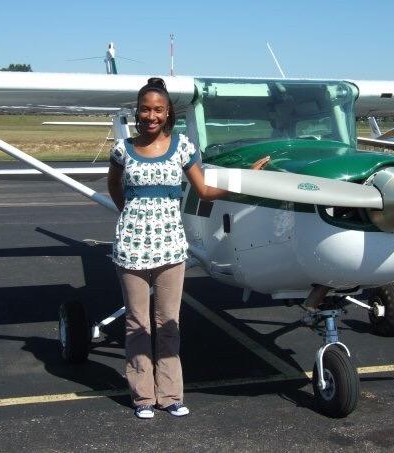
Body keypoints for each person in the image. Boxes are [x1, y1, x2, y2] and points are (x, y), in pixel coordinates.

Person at [107, 77, 270, 419]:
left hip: (171, 250)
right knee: (138, 324)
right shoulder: (122, 149)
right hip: (131, 250)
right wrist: (132, 215)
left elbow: (206, 190)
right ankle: (142, 398)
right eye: (145, 109)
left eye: (158, 110)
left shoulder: (182, 147)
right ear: (137, 111)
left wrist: (247, 177)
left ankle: (170, 396)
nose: (151, 115)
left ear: (168, 114)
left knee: (168, 323)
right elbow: (114, 187)